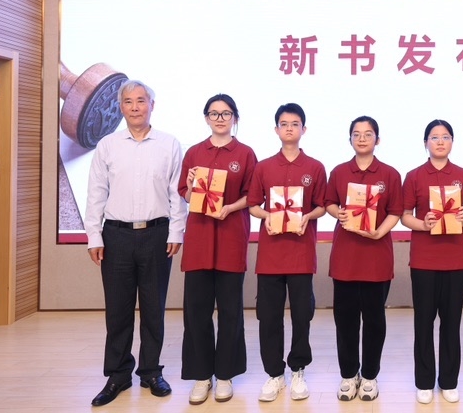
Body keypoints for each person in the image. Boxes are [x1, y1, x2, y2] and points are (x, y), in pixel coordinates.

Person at [84, 80, 186, 407]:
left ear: (152, 105)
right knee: (118, 310)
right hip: (116, 235)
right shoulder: (108, 145)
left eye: (141, 101)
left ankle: (151, 371)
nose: (135, 107)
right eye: (128, 101)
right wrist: (94, 236)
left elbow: (177, 194)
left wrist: (176, 232)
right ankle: (118, 375)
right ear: (121, 107)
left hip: (157, 234)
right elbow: (96, 193)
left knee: (154, 308)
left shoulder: (169, 144)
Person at [178, 94, 257, 405]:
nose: (220, 119)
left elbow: (253, 195)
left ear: (235, 117)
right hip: (199, 241)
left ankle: (224, 374)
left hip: (230, 238)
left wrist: (230, 207)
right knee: (196, 312)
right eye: (214, 113)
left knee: (230, 311)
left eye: (226, 113)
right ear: (206, 118)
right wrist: (189, 185)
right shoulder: (195, 152)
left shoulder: (245, 154)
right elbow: (186, 194)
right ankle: (201, 376)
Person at [247, 103, 327, 402]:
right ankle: (274, 374)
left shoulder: (315, 167)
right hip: (270, 256)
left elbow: (322, 205)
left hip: (301, 254)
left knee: (302, 315)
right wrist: (267, 215)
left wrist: (308, 216)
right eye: (284, 123)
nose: (289, 128)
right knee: (269, 317)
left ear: (303, 129)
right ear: (276, 129)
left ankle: (298, 370)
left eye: (295, 124)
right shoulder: (264, 167)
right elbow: (253, 204)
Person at [401, 119, 463, 405]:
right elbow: (404, 216)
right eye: (434, 137)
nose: (440, 142)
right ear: (426, 143)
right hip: (424, 260)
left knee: (451, 323)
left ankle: (448, 380)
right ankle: (424, 381)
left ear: (452, 142)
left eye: (445, 137)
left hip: (456, 261)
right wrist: (423, 224)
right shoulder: (414, 176)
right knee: (423, 322)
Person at [325, 116, 403, 401]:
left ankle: (369, 375)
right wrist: (338, 212)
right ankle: (348, 375)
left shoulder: (390, 174)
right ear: (349, 139)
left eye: (368, 134)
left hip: (376, 257)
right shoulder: (339, 172)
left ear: (377, 140)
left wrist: (379, 232)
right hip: (345, 257)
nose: (361, 138)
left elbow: (396, 210)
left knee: (374, 320)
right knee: (345, 321)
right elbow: (329, 202)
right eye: (356, 134)